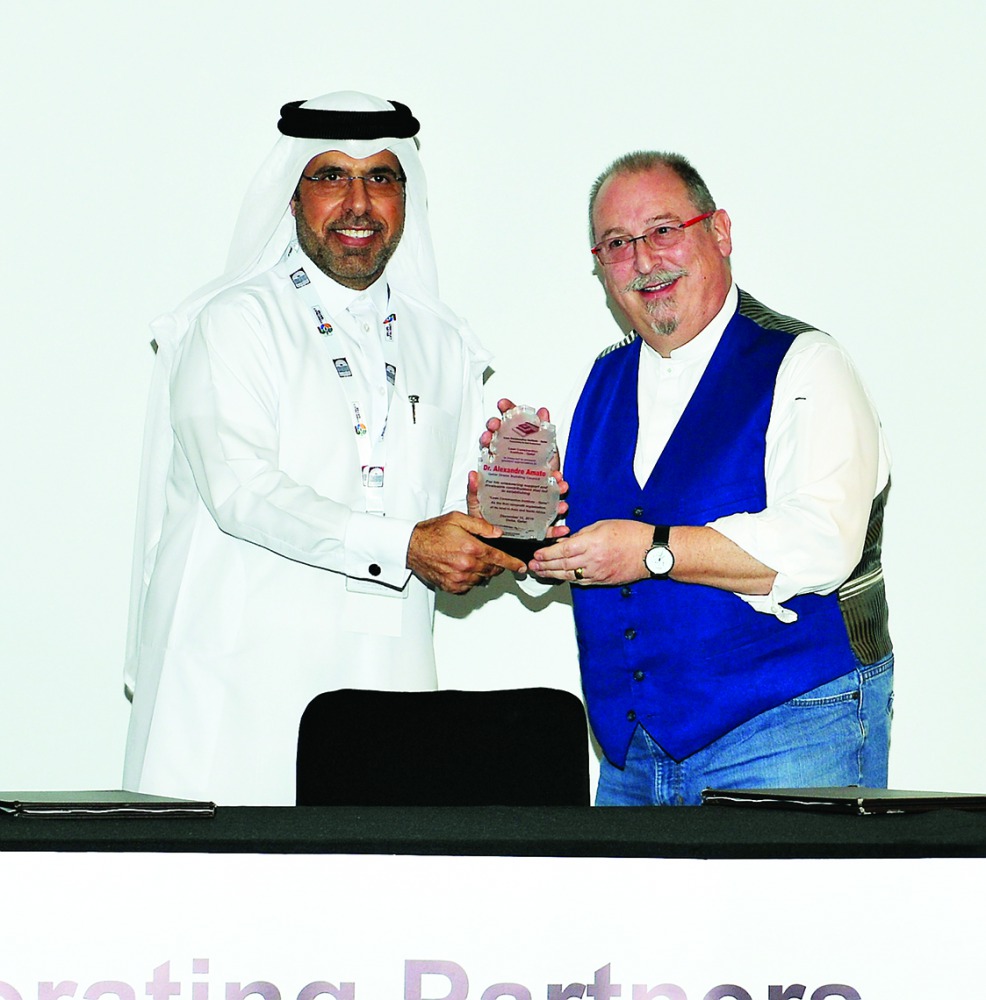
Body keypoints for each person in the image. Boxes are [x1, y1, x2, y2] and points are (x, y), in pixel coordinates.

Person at [122, 91, 525, 805]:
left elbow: (440, 517)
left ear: (408, 195)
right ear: (292, 194)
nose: (359, 203)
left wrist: (504, 525)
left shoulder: (443, 342)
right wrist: (404, 543)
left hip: (387, 683)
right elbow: (241, 490)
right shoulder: (234, 321)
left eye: (382, 177)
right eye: (331, 176)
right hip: (240, 689)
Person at [508, 151, 893, 806]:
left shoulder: (805, 363)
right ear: (601, 267)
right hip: (632, 756)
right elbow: (594, 550)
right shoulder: (604, 379)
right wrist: (522, 523)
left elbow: (825, 543)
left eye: (663, 230)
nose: (645, 260)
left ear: (719, 232)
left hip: (791, 734)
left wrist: (654, 550)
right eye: (618, 244)